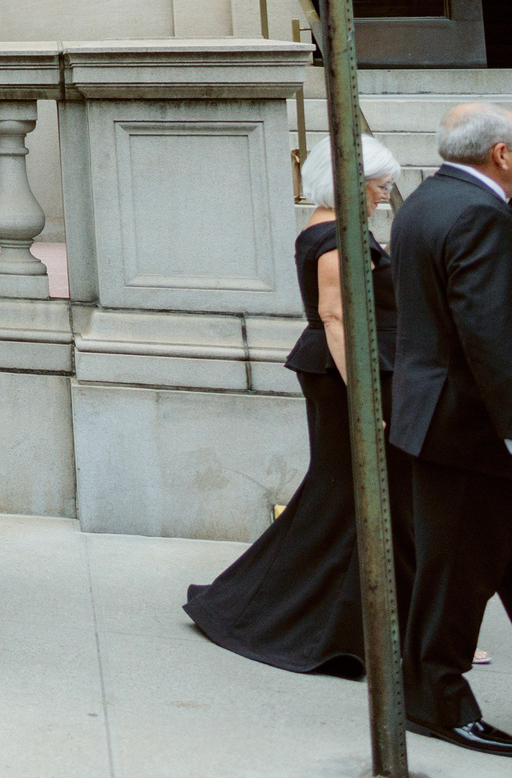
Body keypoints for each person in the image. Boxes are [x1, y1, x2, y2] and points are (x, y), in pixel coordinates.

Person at [187, 135, 411, 676]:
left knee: (340, 498)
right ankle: (261, 612)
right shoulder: (336, 236)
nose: (383, 197)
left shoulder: (326, 226)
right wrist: (366, 394)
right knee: (343, 497)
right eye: (379, 186)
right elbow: (336, 317)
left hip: (344, 374)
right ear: (352, 184)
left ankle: (306, 615)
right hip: (347, 379)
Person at [388, 102, 512, 754]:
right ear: (502, 154)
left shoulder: (424, 200)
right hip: (467, 430)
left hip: (435, 417)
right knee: (453, 573)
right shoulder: (481, 213)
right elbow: (488, 333)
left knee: (467, 562)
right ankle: (436, 701)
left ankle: (432, 692)